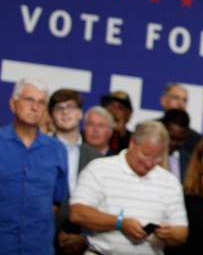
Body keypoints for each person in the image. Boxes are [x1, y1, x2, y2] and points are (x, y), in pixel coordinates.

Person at [70, 120, 189, 254]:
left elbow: (181, 233)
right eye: (145, 154)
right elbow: (77, 213)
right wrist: (120, 223)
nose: (149, 163)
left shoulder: (170, 182)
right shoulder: (99, 169)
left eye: (156, 158)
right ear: (132, 143)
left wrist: (168, 232)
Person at [0, 78, 69, 255]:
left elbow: (56, 201)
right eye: (29, 100)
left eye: (41, 102)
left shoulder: (57, 149)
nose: (35, 107)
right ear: (13, 103)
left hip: (39, 248)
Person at [48, 89, 103, 255]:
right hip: (46, 236)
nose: (65, 113)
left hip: (85, 238)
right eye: (59, 108)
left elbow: (102, 202)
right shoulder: (41, 150)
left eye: (71, 107)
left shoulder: (96, 156)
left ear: (80, 113)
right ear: (51, 115)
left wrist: (85, 239)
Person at [160, 83, 202, 153]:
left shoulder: (195, 138)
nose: (180, 103)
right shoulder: (149, 128)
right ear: (163, 101)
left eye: (184, 100)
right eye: (175, 98)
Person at [162, 108, 192, 183]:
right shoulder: (149, 158)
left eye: (179, 139)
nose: (173, 143)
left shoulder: (190, 162)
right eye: (170, 137)